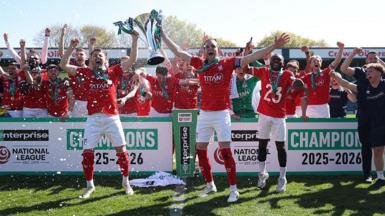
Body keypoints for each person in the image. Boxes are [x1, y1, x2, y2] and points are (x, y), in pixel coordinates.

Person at [161, 26, 290, 202]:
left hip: (222, 114)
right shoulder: (199, 63)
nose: (210, 49)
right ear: (204, 51)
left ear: (218, 49)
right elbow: (178, 51)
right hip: (205, 114)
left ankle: (233, 189)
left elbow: (252, 57)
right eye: (207, 47)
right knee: (200, 149)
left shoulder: (227, 63)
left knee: (226, 151)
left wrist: (273, 46)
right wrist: (163, 33)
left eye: (213, 46)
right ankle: (210, 184)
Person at [59, 30, 138, 198]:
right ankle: (89, 186)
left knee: (122, 152)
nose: (97, 57)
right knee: (87, 153)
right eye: (94, 55)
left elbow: (132, 60)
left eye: (100, 55)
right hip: (93, 119)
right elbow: (63, 65)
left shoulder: (113, 71)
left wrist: (134, 39)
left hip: (112, 118)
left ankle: (126, 182)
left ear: (106, 59)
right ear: (91, 60)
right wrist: (71, 48)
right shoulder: (85, 73)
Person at [250, 53, 305, 193]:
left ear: (283, 62)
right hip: (263, 113)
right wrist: (248, 54)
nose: (275, 62)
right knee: (262, 144)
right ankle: (262, 173)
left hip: (279, 116)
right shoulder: (264, 71)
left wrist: (296, 83)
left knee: (280, 146)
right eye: (274, 59)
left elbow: (295, 82)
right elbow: (246, 69)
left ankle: (282, 177)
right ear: (270, 62)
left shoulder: (286, 74)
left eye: (278, 60)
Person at [331, 64, 385, 186]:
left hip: (382, 122)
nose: (368, 73)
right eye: (367, 71)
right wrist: (334, 75)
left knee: (379, 150)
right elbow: (346, 84)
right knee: (377, 150)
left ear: (379, 73)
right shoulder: (363, 87)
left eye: (371, 71)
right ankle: (380, 177)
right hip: (371, 123)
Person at [340, 48, 382, 182]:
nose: (372, 60)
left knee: (380, 148)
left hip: (380, 116)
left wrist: (379, 63)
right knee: (366, 146)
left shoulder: (381, 73)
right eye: (370, 58)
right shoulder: (360, 71)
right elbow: (344, 68)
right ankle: (367, 174)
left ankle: (380, 175)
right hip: (364, 114)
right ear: (365, 60)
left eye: (375, 58)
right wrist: (352, 53)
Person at [302, 42, 344, 118]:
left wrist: (341, 49)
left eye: (318, 61)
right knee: (310, 129)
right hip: (310, 107)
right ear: (310, 64)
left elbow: (336, 62)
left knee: (324, 129)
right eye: (314, 61)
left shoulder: (326, 72)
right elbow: (302, 91)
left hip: (323, 107)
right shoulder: (306, 77)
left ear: (321, 63)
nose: (316, 62)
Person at [59, 24, 89, 117]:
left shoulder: (91, 69)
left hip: (91, 101)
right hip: (77, 104)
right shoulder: (72, 69)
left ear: (87, 57)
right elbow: (62, 54)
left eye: (81, 54)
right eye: (77, 55)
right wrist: (62, 35)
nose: (79, 56)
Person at [19, 39, 49, 118]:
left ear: (39, 60)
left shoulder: (45, 72)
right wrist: (22, 48)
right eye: (30, 59)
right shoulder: (23, 72)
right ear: (27, 61)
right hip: (28, 108)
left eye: (35, 58)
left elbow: (35, 83)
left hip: (42, 108)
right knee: (27, 130)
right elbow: (30, 82)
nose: (33, 60)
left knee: (43, 129)